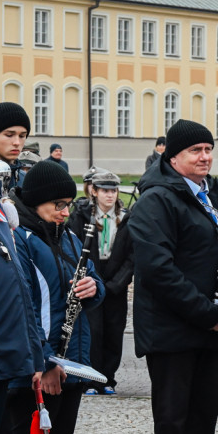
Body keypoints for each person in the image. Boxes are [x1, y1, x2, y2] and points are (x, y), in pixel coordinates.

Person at [128, 119, 218, 434]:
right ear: (173, 158)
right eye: (196, 150)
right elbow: (157, 268)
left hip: (209, 329)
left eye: (208, 149)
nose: (205, 157)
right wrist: (204, 311)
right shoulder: (156, 199)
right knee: (174, 423)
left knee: (204, 417)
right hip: (173, 331)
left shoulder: (214, 196)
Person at [5, 161, 103, 434]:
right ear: (35, 203)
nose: (64, 212)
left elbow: (92, 280)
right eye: (56, 205)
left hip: (73, 360)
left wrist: (94, 288)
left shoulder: (74, 239)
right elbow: (22, 306)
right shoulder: (21, 239)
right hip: (38, 363)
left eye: (68, 205)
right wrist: (45, 362)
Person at [0, 101, 34, 434]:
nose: (17, 142)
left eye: (22, 135)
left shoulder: (4, 190)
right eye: (9, 134)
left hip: (6, 342)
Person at [69, 170, 133, 396]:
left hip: (116, 283)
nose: (110, 195)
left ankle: (108, 379)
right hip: (91, 281)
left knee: (114, 332)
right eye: (105, 190)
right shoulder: (82, 215)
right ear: (94, 191)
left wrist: (118, 283)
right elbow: (75, 250)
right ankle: (90, 380)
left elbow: (131, 255)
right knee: (93, 332)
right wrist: (90, 279)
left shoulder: (125, 217)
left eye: (114, 190)